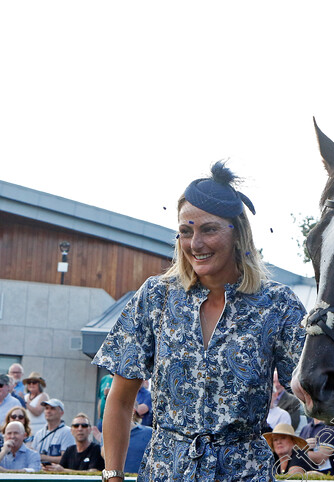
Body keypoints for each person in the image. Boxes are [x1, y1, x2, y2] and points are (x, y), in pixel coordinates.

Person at [93, 161, 307, 481]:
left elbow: (313, 392)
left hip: (244, 473)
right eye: (186, 231)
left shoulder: (277, 304)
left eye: (209, 229)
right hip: (166, 472)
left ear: (238, 233)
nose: (195, 244)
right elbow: (121, 400)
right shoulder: (155, 297)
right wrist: (112, 474)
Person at [32, 398, 73, 464]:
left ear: (61, 413)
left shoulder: (68, 432)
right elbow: (32, 455)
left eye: (52, 408)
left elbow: (67, 459)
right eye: (46, 408)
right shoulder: (39, 433)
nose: (48, 411)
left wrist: (43, 457)